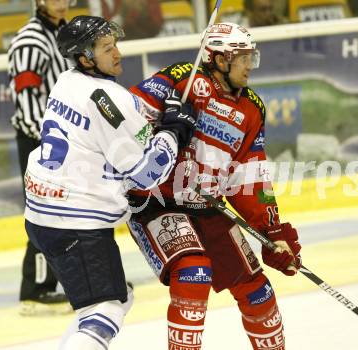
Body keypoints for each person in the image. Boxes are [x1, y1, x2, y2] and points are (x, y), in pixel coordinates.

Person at [23, 15, 197, 349]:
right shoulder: (109, 98)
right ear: (86, 58)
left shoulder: (66, 81)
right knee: (106, 309)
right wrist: (176, 131)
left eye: (114, 44)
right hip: (75, 222)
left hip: (41, 215)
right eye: (106, 48)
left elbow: (104, 132)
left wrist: (152, 128)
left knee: (108, 302)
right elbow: (148, 173)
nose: (116, 52)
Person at [127, 22, 302, 350]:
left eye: (252, 57)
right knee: (194, 272)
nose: (250, 65)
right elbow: (123, 123)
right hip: (158, 201)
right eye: (244, 58)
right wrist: (160, 130)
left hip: (208, 206)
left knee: (258, 291)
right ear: (221, 60)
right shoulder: (181, 78)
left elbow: (250, 177)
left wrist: (272, 231)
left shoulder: (252, 108)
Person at [7, 0, 74, 316]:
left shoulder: (64, 33)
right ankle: (35, 291)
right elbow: (26, 98)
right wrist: (47, 143)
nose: (63, 2)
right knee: (45, 212)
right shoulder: (30, 40)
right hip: (41, 141)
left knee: (73, 211)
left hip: (65, 139)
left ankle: (80, 282)